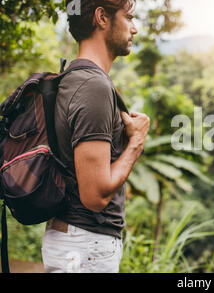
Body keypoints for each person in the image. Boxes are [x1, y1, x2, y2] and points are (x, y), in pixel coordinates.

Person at [41, 0, 149, 273]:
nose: (134, 29)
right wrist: (135, 143)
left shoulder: (72, 76)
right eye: (129, 17)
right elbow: (95, 195)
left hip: (75, 243)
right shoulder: (94, 87)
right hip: (84, 246)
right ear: (102, 17)